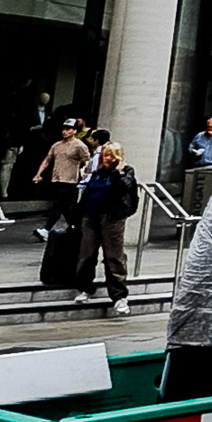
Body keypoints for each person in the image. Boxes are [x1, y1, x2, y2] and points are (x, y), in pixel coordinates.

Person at [72, 144, 139, 317]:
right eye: (105, 155)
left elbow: (126, 189)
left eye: (111, 155)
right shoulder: (98, 173)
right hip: (91, 216)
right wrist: (78, 214)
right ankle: (85, 288)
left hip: (112, 218)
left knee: (113, 257)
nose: (107, 159)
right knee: (86, 254)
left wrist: (118, 171)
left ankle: (119, 296)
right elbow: (88, 193)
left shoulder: (126, 172)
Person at [34, 118, 90, 242]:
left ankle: (47, 229)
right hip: (57, 179)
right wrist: (39, 174)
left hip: (70, 180)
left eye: (68, 129)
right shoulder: (57, 145)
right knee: (66, 208)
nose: (65, 131)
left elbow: (87, 161)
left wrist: (84, 172)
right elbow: (47, 160)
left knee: (58, 205)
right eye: (64, 129)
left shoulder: (79, 146)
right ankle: (76, 228)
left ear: (74, 131)